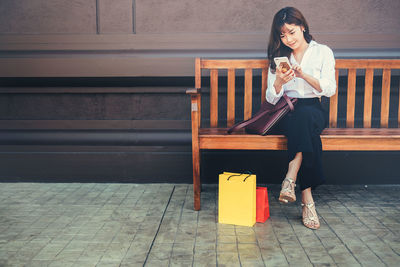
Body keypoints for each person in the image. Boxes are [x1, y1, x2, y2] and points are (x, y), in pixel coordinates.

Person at [266, 7, 336, 229]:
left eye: (292, 32)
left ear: (303, 27)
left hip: (314, 109)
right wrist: (279, 81)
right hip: (287, 111)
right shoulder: (280, 56)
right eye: (283, 35)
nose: (288, 39)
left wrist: (303, 75)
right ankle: (307, 201)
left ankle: (291, 176)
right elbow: (271, 97)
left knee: (305, 118)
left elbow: (329, 89)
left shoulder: (322, 52)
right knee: (305, 129)